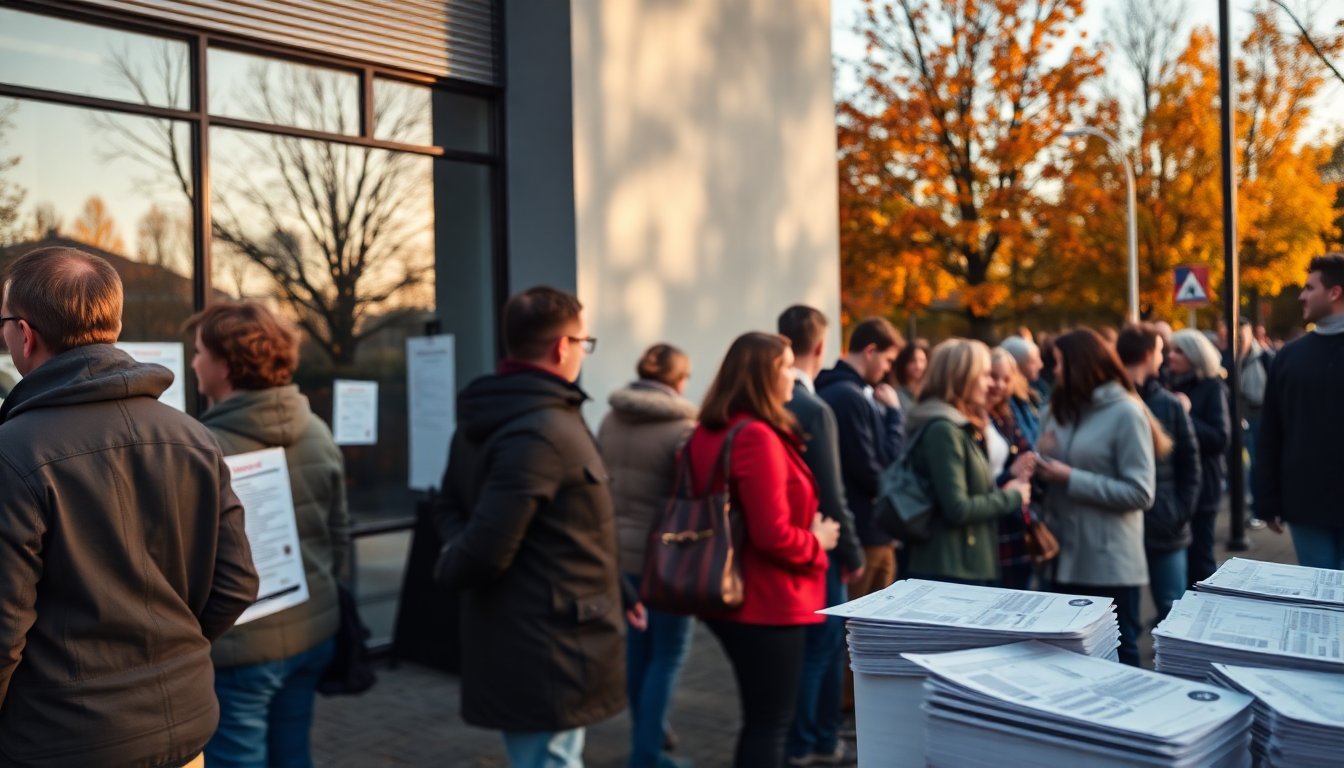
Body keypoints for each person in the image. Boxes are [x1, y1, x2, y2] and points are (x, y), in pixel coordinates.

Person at [0, 246, 259, 767]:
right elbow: (236, 583)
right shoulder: (194, 437)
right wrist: (170, 657)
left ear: (24, 334)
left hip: (63, 742)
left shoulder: (14, 453)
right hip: (183, 729)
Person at [433, 286, 636, 768]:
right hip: (547, 648)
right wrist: (451, 565)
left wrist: (623, 591)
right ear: (562, 346)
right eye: (584, 343)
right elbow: (480, 541)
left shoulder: (531, 417)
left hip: (549, 639)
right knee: (551, 759)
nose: (583, 354)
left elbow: (571, 528)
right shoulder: (538, 431)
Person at [187, 301, 349, 768]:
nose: (193, 361)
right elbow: (338, 535)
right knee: (293, 756)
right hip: (313, 633)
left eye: (199, 351)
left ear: (225, 365)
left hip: (241, 654)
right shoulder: (317, 431)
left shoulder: (203, 450)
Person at [687, 332, 838, 768]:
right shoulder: (755, 436)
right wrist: (818, 541)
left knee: (761, 721)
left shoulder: (710, 430)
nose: (793, 374)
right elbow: (771, 535)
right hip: (765, 600)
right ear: (762, 376)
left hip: (731, 592)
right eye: (784, 365)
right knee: (771, 724)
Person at [596, 344, 697, 768]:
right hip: (666, 560)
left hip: (619, 556)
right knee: (669, 653)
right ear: (678, 380)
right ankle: (646, 753)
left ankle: (647, 736)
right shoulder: (684, 429)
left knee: (639, 649)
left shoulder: (609, 419)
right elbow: (693, 495)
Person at [1035, 329, 1160, 667]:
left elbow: (1140, 492)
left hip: (1108, 564)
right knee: (1065, 657)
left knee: (1117, 654)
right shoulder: (1056, 409)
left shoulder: (1126, 413)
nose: (1054, 371)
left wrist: (1071, 477)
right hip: (1061, 558)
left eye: (1059, 363)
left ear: (1080, 364)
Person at [777, 306, 863, 768]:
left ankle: (803, 737)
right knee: (823, 648)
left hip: (785, 542)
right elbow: (832, 491)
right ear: (820, 347)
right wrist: (850, 549)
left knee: (806, 650)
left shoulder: (769, 400)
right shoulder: (811, 408)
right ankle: (813, 739)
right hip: (819, 545)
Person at [903, 340, 1033, 586]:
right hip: (952, 567)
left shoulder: (958, 425)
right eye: (984, 375)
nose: (989, 384)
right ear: (963, 377)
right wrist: (1012, 496)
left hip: (965, 562)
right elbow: (958, 508)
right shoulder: (944, 429)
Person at [1258, 253, 1344, 569]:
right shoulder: (1288, 358)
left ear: (1335, 293)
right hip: (1306, 506)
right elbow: (1271, 432)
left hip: (1307, 501)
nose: (1301, 296)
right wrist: (1266, 500)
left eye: (1309, 288)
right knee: (1318, 600)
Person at [815, 317, 904, 600]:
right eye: (888, 360)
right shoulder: (849, 397)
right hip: (864, 533)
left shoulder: (843, 391)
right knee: (863, 632)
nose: (888, 369)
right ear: (870, 351)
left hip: (865, 530)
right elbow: (873, 470)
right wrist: (894, 417)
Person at [1116, 324, 1200, 623]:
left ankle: (1175, 669)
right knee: (1123, 618)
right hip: (1124, 527)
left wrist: (1180, 512)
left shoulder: (1168, 405)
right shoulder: (1112, 404)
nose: (1164, 356)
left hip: (1165, 524)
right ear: (1149, 354)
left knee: (1172, 610)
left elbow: (1190, 464)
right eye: (1161, 350)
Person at [1166, 328, 1230, 587]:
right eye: (1169, 350)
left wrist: (1186, 415)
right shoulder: (1167, 384)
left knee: (1200, 556)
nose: (1170, 356)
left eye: (1178, 351)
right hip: (1175, 486)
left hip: (1204, 486)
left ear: (1195, 355)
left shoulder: (1212, 387)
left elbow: (1220, 439)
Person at [987, 348, 1040, 590]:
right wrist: (1011, 473)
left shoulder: (1007, 414)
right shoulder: (980, 417)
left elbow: (1027, 452)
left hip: (1017, 517)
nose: (998, 385)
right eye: (993, 376)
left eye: (1005, 379)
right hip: (995, 519)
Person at [1224, 315, 1273, 530]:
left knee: (1255, 463)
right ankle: (1242, 504)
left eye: (1241, 335)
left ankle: (1256, 509)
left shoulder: (1265, 358)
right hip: (1235, 417)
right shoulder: (1227, 360)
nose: (1238, 341)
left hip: (1258, 416)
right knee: (1236, 463)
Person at [1000, 335, 1049, 421]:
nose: (1041, 365)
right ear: (1015, 365)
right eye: (1033, 361)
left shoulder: (1034, 390)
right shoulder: (1012, 400)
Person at [891, 339, 929, 413]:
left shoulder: (929, 394)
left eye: (922, 360)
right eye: (912, 361)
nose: (918, 366)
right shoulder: (897, 395)